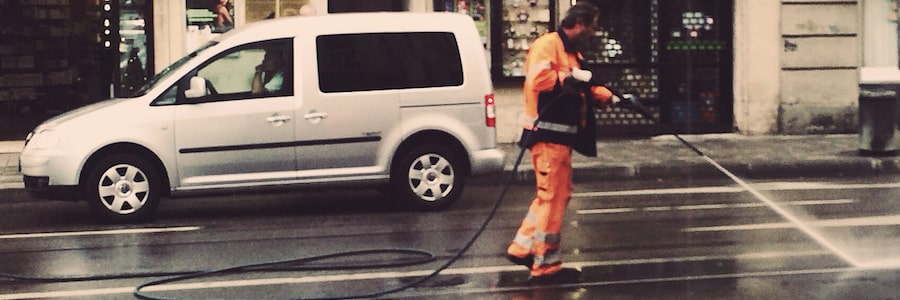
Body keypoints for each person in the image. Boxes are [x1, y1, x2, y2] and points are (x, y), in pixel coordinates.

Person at [505, 2, 628, 285]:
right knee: (552, 198)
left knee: (553, 195)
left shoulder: (572, 52)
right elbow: (540, 79)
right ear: (580, 23)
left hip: (560, 136)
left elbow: (582, 84)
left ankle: (522, 248)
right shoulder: (548, 45)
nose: (594, 32)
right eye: (593, 26)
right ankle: (546, 266)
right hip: (547, 134)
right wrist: (570, 77)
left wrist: (604, 94)